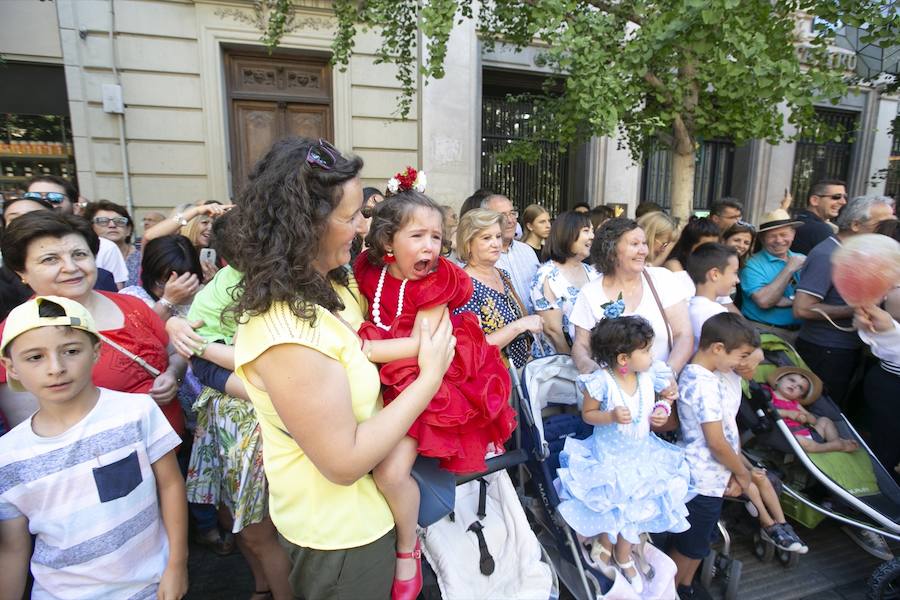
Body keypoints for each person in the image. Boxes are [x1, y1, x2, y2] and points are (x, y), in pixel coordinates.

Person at [229, 137, 455, 600]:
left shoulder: (332, 282)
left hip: (371, 515)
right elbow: (345, 462)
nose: (361, 230)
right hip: (341, 537)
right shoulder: (285, 330)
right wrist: (430, 377)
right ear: (306, 224)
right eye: (351, 217)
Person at [355, 189, 516, 598]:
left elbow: (425, 346)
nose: (430, 246)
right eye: (418, 236)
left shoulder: (438, 280)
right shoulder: (368, 272)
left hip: (424, 381)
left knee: (390, 472)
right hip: (378, 378)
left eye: (436, 237)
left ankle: (407, 548)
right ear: (388, 241)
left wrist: (362, 350)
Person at [0, 296, 187, 600]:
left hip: (151, 586)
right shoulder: (7, 456)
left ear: (96, 351)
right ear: (11, 367)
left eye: (71, 351)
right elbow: (12, 549)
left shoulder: (138, 412)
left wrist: (177, 565)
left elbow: (170, 485)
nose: (56, 368)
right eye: (35, 357)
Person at [0, 211, 188, 436]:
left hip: (173, 448)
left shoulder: (132, 305)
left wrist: (172, 375)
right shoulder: (15, 334)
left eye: (79, 254)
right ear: (22, 272)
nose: (70, 267)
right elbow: (31, 428)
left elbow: (174, 354)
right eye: (50, 259)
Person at [556, 316, 691, 593]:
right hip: (610, 457)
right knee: (614, 501)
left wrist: (662, 409)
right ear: (623, 359)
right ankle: (605, 543)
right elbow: (589, 415)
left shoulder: (650, 375)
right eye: (646, 350)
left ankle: (623, 552)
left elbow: (668, 395)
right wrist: (611, 415)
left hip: (642, 453)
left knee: (638, 504)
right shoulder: (601, 382)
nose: (652, 355)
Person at [669, 313, 761, 600]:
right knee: (689, 545)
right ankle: (668, 591)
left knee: (699, 542)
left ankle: (684, 587)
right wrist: (743, 474)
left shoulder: (709, 374)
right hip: (702, 479)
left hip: (712, 477)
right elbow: (717, 443)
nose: (742, 363)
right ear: (718, 348)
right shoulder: (703, 384)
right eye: (741, 355)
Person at [793, 196, 895, 408]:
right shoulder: (827, 254)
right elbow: (802, 309)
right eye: (883, 224)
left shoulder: (857, 253)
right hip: (826, 351)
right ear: (856, 225)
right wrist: (857, 308)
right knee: (821, 410)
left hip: (846, 348)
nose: (889, 230)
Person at [570, 218, 694, 376]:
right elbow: (581, 345)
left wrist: (669, 374)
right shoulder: (590, 293)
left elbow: (683, 334)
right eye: (635, 244)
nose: (643, 251)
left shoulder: (663, 280)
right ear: (611, 250)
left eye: (644, 243)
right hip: (614, 393)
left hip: (661, 390)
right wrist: (590, 369)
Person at [456, 209, 545, 367]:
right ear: (468, 243)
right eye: (486, 238)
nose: (496, 243)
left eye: (498, 236)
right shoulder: (464, 285)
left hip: (520, 374)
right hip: (492, 382)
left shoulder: (502, 274)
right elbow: (474, 349)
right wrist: (520, 325)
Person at [25, 175, 129, 288]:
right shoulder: (16, 246)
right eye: (33, 197)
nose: (43, 203)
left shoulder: (105, 247)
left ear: (75, 207)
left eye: (55, 198)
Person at [530, 210, 599, 354]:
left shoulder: (592, 272)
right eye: (586, 231)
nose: (592, 236)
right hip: (560, 364)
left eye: (592, 231)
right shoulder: (547, 275)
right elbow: (553, 330)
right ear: (568, 234)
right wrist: (575, 362)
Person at [739, 209, 805, 341]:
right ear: (762, 239)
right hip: (764, 332)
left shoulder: (803, 259)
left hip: (801, 333)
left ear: (793, 234)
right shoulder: (751, 264)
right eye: (772, 236)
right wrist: (789, 268)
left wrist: (785, 301)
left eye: (784, 234)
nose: (779, 240)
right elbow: (764, 301)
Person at [765, 366, 859, 453]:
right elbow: (766, 411)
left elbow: (813, 420)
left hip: (809, 434)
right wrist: (787, 413)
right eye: (792, 380)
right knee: (799, 440)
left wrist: (806, 417)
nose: (794, 386)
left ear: (799, 396)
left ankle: (835, 441)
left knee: (825, 420)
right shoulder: (769, 395)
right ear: (777, 380)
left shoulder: (795, 404)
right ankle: (825, 447)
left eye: (800, 388)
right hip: (785, 436)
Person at [143, 200, 231, 282]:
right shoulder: (170, 249)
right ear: (189, 225)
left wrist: (210, 282)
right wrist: (196, 211)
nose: (210, 228)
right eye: (204, 223)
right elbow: (148, 236)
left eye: (212, 224)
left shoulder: (211, 255)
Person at [120, 235, 202, 320]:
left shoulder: (201, 298)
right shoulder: (132, 297)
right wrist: (167, 301)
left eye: (181, 281)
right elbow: (141, 330)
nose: (173, 288)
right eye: (162, 282)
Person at [482, 193, 540, 313]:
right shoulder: (481, 257)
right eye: (502, 215)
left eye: (512, 213)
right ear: (486, 219)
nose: (510, 220)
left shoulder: (528, 251)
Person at [687, 243, 741, 352]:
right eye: (735, 273)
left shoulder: (688, 309)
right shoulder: (715, 313)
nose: (737, 280)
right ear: (715, 274)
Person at [83, 200, 141, 287]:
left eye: (120, 221)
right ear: (90, 228)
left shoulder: (142, 257)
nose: (112, 225)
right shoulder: (86, 258)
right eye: (102, 221)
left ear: (128, 229)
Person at [791, 179, 847, 255]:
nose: (843, 202)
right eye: (836, 196)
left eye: (844, 197)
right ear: (814, 200)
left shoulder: (799, 221)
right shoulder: (820, 229)